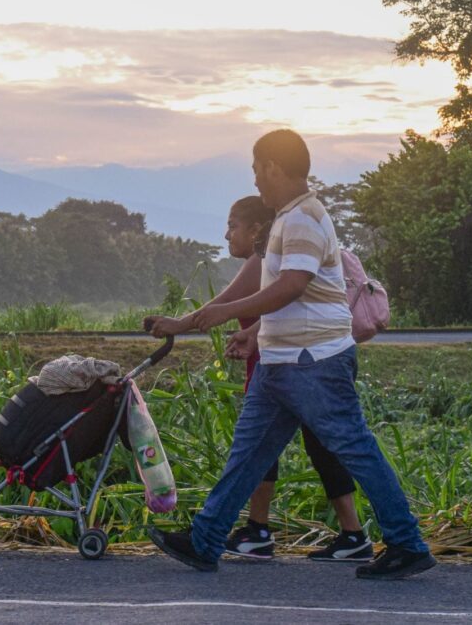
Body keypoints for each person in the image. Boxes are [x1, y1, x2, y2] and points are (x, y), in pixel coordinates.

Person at [147, 129, 435, 580]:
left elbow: (292, 286)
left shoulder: (302, 218)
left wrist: (224, 314)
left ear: (274, 167)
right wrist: (257, 332)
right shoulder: (291, 217)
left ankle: (407, 543)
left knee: (356, 450)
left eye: (257, 170)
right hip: (284, 362)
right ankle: (205, 541)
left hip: (312, 363)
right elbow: (303, 293)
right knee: (248, 455)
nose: (256, 180)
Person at [146, 196, 372, 562]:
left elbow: (223, 304)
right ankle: (345, 533)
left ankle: (259, 530)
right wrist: (249, 335)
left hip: (286, 363)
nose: (226, 235)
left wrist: (177, 325)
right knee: (314, 446)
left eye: (233, 225)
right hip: (291, 358)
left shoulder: (262, 259)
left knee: (261, 446)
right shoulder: (275, 255)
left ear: (255, 229)